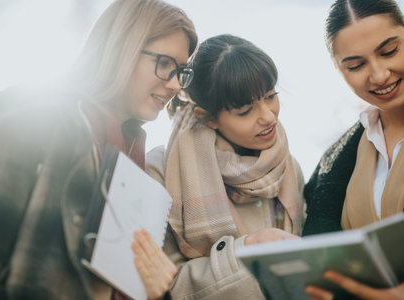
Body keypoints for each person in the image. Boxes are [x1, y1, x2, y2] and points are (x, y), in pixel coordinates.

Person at [0, 0, 197, 299]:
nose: (175, 84)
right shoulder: (25, 118)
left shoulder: (133, 161)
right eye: (164, 64)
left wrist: (154, 291)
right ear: (121, 48)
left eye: (182, 71)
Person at [145, 34, 305, 299]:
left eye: (270, 96)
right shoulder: (163, 172)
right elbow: (166, 283)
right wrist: (246, 250)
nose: (268, 116)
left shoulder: (288, 167)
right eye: (245, 111)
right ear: (208, 118)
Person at [302, 0, 404, 299]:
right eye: (356, 65)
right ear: (339, 70)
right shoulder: (338, 158)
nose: (379, 75)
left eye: (389, 51)